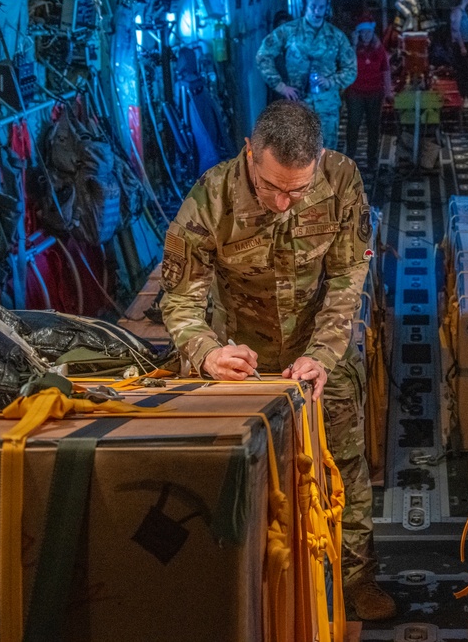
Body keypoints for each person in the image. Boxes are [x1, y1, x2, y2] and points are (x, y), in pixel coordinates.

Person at [159, 101, 396, 621]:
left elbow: (346, 279)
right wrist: (207, 353)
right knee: (245, 475)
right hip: (241, 357)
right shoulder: (211, 198)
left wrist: (323, 354)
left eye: (297, 190)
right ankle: (248, 582)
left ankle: (357, 579)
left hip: (321, 350)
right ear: (249, 153)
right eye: (272, 188)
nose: (284, 202)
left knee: (346, 468)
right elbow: (178, 299)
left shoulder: (340, 179)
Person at [255, 0, 357, 151]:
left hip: (327, 108)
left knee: (326, 155)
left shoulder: (336, 36)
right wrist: (280, 86)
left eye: (321, 7)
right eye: (313, 7)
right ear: (304, 7)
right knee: (298, 155)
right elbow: (263, 55)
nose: (317, 11)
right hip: (298, 105)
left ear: (326, 7)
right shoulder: (288, 31)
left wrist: (331, 81)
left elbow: (351, 69)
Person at [345, 15, 393, 173]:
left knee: (373, 126)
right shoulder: (353, 47)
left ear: (373, 32)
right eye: (362, 32)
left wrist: (388, 91)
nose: (365, 35)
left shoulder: (379, 49)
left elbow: (385, 69)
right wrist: (353, 44)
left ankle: (371, 159)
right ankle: (349, 158)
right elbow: (346, 64)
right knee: (353, 125)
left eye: (368, 32)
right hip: (355, 92)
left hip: (374, 92)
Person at [449, 0, 468, 97]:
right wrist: (462, 46)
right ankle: (461, 96)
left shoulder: (464, 11)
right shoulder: (457, 11)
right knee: (461, 71)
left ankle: (464, 95)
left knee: (466, 71)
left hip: (466, 43)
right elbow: (456, 29)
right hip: (460, 45)